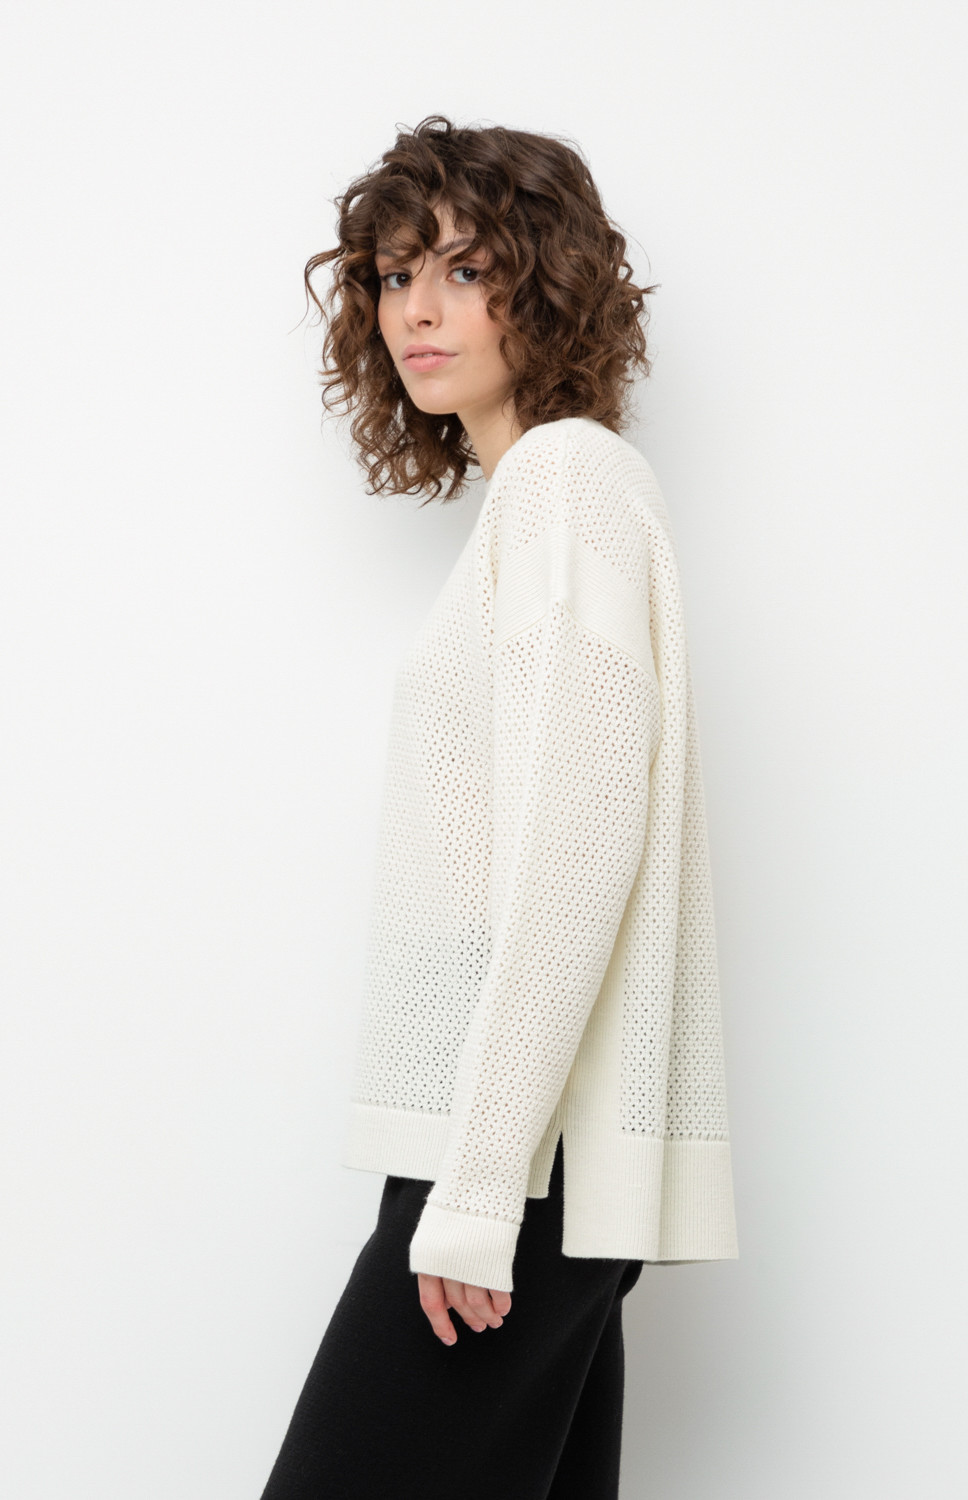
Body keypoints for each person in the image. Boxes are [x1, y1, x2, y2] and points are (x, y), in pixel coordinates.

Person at [258, 114, 739, 1500]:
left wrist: (476, 1191)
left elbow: (579, 843)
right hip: (526, 1158)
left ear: (549, 287)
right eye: (396, 274)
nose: (419, 309)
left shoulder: (566, 480)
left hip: (517, 1167)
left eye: (466, 270)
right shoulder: (552, 494)